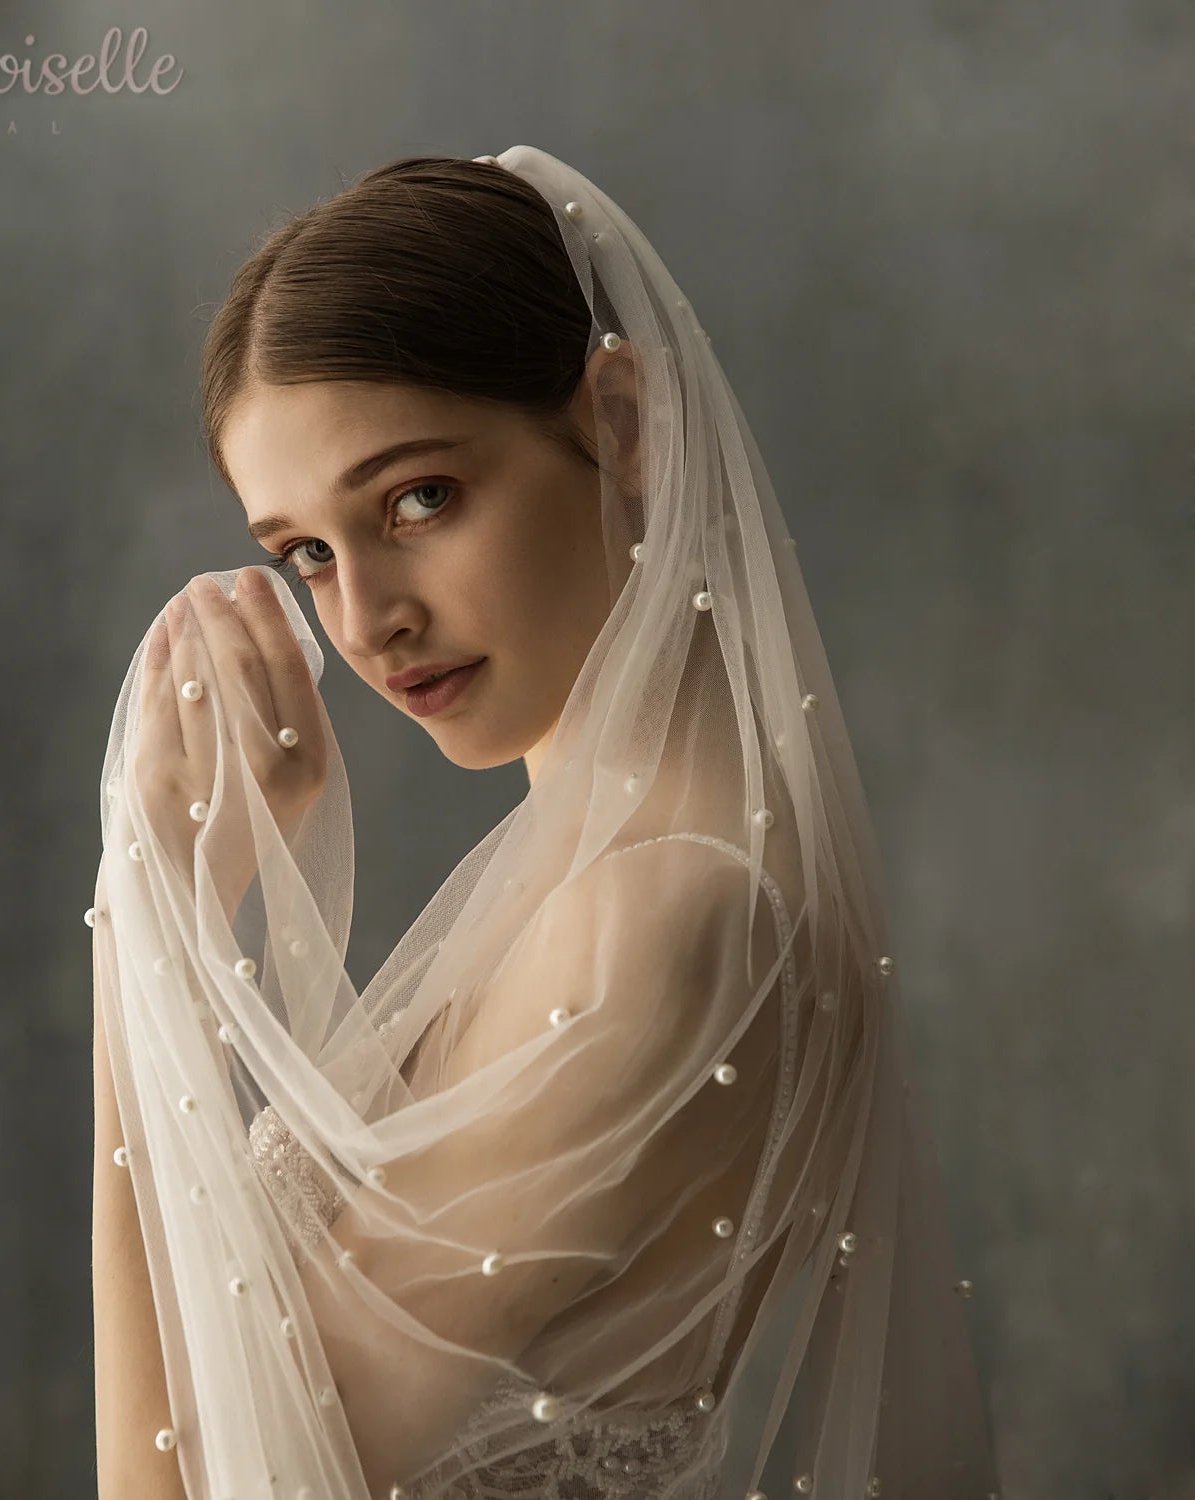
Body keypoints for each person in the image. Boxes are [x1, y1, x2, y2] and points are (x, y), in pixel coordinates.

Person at [89, 146, 1001, 1500]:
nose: (365, 620)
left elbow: (206, 1487)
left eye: (418, 498)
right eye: (307, 555)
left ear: (619, 419)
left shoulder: (658, 925)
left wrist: (146, 915)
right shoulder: (616, 878)